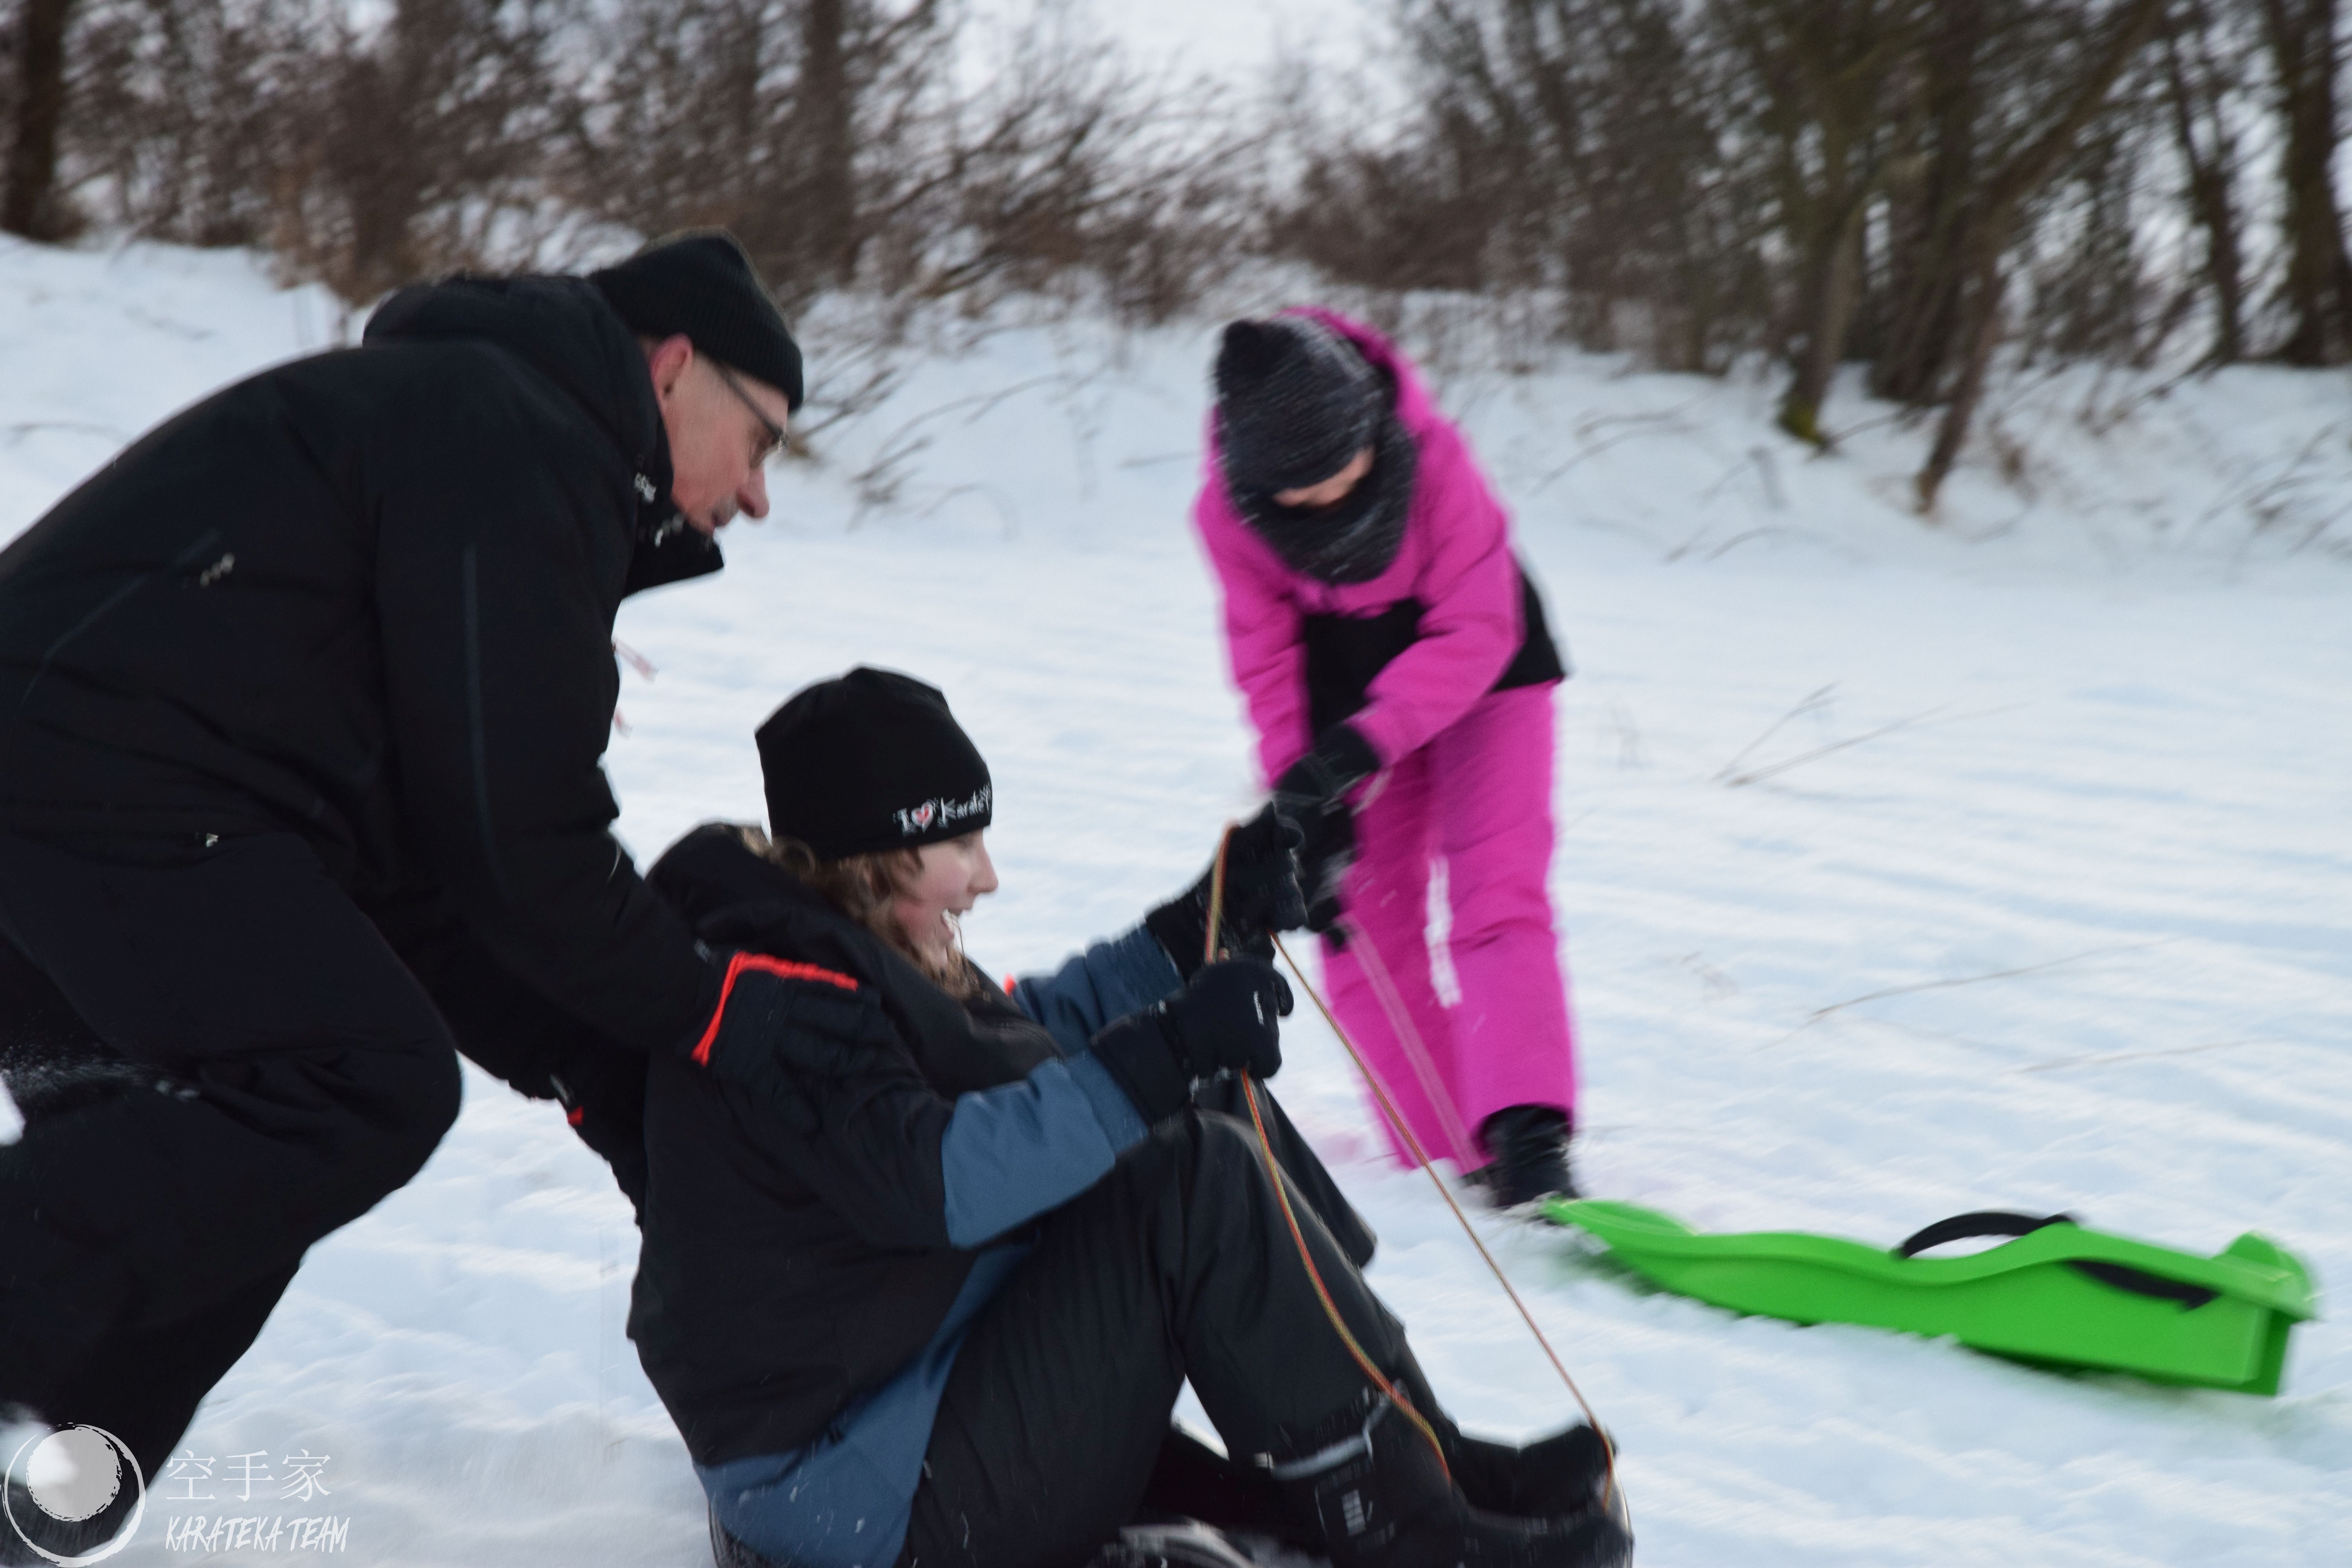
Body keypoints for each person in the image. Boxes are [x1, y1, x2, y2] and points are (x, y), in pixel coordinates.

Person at [0, 232, 896, 1561]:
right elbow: (517, 839)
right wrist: (718, 1012)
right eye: (761, 441)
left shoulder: (478, 432)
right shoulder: (517, 441)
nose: (761, 494)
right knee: (359, 1085)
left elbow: (423, 874)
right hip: (91, 778)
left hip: (98, 787)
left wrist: (600, 1068)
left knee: (239, 1166)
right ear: (672, 367)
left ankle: (43, 1505)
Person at [628, 666, 1631, 1568]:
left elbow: (1004, 1040)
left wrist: (1190, 932)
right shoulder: (786, 1007)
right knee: (1192, 1174)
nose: (987, 874)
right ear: (877, 855)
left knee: (1201, 1101)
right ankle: (1403, 1529)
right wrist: (1164, 1049)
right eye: (960, 842)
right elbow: (938, 1180)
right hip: (853, 1494)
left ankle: (1423, 1461)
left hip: (909, 1388)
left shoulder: (835, 946)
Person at [1191, 310, 1582, 1207]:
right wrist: (1303, 794)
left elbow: (1477, 626)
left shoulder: (1436, 460)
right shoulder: (1227, 517)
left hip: (1492, 672)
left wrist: (1360, 749)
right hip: (1346, 700)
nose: (1331, 498)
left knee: (1498, 891)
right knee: (1358, 916)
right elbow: (1266, 658)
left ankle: (1527, 1132)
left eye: (1345, 472)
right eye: (1304, 494)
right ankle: (1448, 1151)